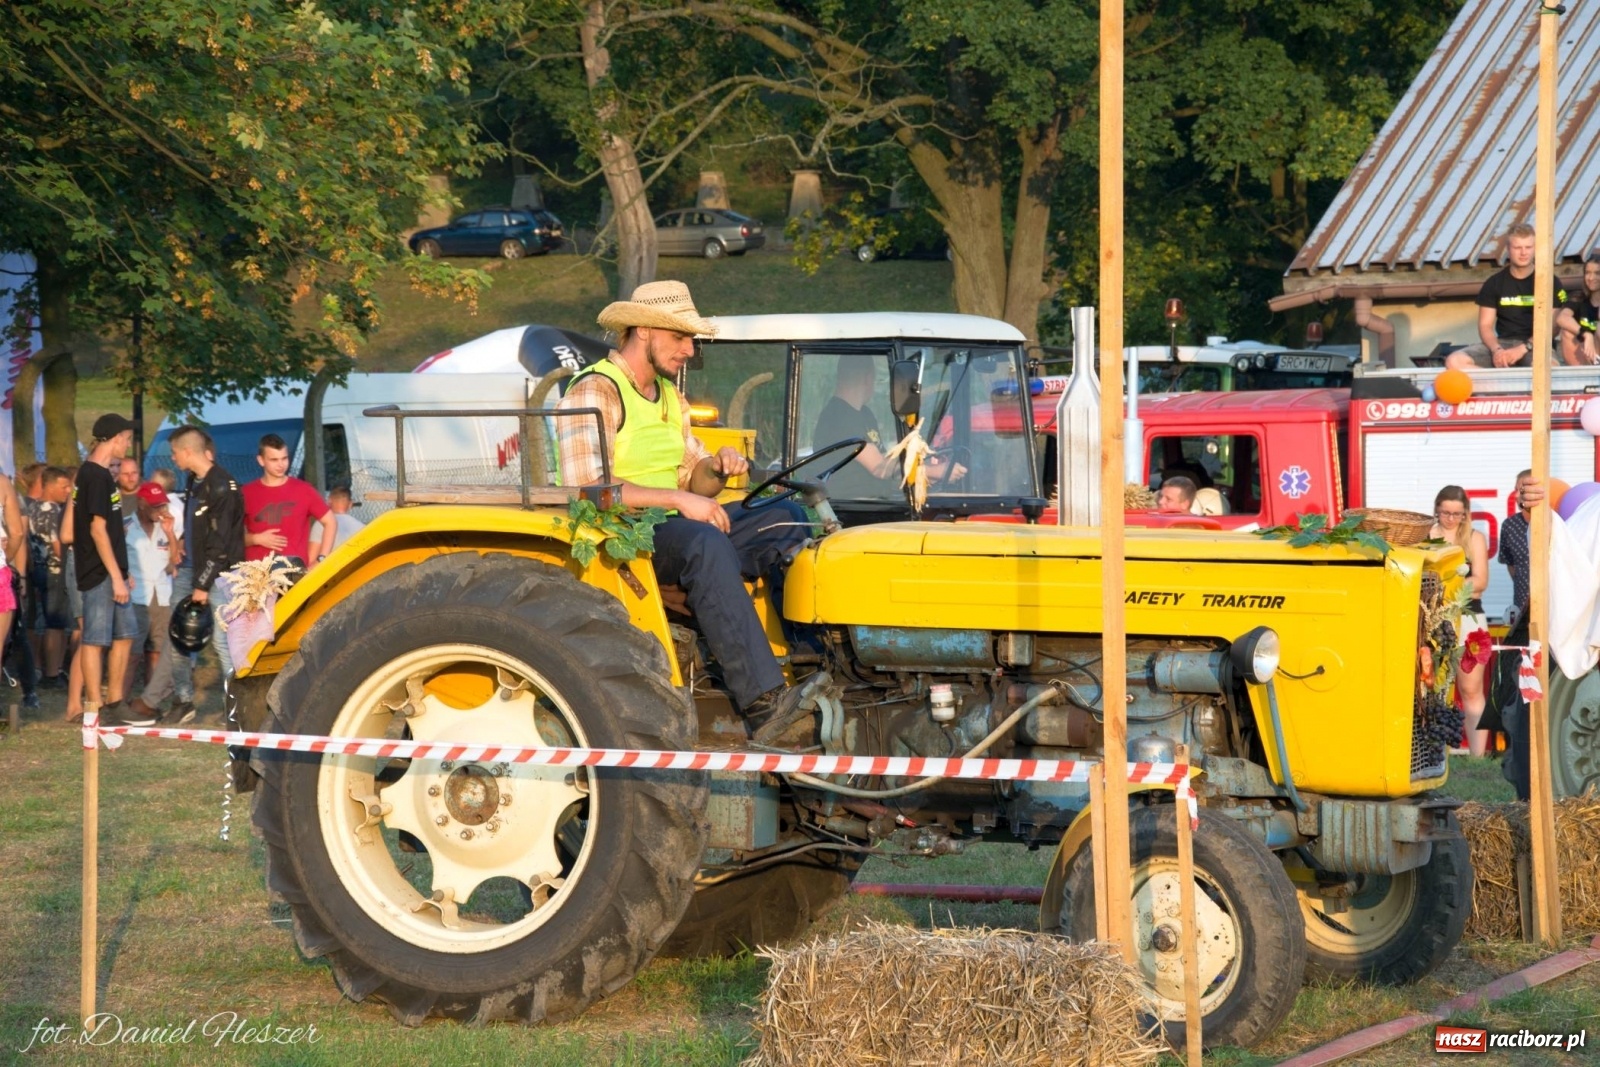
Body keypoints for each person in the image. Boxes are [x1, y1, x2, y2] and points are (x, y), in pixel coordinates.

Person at [555, 280, 813, 732]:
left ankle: (810, 667)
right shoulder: (596, 390)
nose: (690, 350)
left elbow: (695, 478)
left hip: (671, 525)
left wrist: (718, 467)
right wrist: (679, 498)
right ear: (642, 331)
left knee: (785, 517)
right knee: (705, 541)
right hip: (620, 532)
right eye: (680, 337)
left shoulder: (672, 398)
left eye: (691, 338)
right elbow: (587, 488)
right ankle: (763, 703)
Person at [73, 414, 149, 727]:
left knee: (126, 635)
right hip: (98, 572)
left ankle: (116, 701)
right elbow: (97, 530)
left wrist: (122, 569)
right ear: (115, 437)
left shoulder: (103, 475)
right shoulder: (93, 475)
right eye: (127, 438)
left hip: (114, 570)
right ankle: (95, 705)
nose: (128, 444)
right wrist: (115, 576)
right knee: (95, 639)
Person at [170, 426, 245, 718]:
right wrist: (179, 542)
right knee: (178, 634)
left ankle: (237, 707)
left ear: (188, 451)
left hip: (218, 575)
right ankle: (183, 700)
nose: (173, 458)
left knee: (222, 641)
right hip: (189, 568)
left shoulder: (223, 487)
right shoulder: (193, 481)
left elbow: (221, 543)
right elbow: (196, 526)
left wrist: (202, 585)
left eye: (175, 452)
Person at [810, 357, 962, 499]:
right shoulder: (839, 417)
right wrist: (936, 471)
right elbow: (879, 468)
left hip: (879, 500)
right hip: (856, 506)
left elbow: (888, 465)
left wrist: (925, 470)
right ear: (868, 378)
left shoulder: (864, 414)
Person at [1447, 224, 1565, 370]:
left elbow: (1553, 327)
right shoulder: (1494, 283)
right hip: (1502, 343)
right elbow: (1485, 325)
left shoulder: (1550, 282)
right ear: (1508, 249)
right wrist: (1496, 350)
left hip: (1536, 345)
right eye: (1517, 248)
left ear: (1535, 248)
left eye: (1528, 247)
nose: (1523, 253)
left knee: (1547, 367)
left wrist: (1523, 348)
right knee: (1454, 361)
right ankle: (1495, 388)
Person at [1431, 485, 1490, 756]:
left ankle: (1477, 756)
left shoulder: (1475, 538)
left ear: (1465, 514)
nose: (1451, 519)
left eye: (1457, 514)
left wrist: (1447, 586)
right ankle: (1434, 751)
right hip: (1435, 618)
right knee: (1432, 687)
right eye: (1446, 513)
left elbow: (1481, 582)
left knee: (1471, 688)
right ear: (1437, 511)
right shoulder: (1427, 536)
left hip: (1469, 617)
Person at [123, 482, 183, 724]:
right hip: (136, 596)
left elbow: (175, 559)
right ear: (141, 503)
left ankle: (148, 701)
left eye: (163, 505)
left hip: (161, 594)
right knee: (132, 653)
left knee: (157, 651)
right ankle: (120, 701)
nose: (160, 509)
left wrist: (169, 533)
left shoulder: (165, 526)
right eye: (155, 505)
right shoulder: (126, 525)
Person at [242, 433, 334, 568]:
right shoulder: (246, 493)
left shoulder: (304, 490)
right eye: (274, 460)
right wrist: (256, 539)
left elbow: (330, 522)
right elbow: (230, 538)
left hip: (293, 573)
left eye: (284, 458)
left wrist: (321, 559)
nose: (281, 464)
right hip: (257, 578)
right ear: (261, 460)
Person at [22, 466, 71, 687]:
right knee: (56, 623)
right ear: (48, 485)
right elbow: (58, 546)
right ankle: (53, 673)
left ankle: (42, 668)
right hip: (54, 571)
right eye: (64, 486)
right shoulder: (53, 511)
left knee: (40, 621)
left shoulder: (32, 508)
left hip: (38, 570)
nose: (68, 491)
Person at [1555, 252, 1600, 367]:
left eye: (1597, 273)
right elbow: (1562, 318)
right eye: (1587, 273)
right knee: (1567, 332)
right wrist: (1586, 334)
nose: (1591, 278)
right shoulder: (1579, 297)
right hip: (1585, 355)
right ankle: (1580, 376)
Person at [308, 486, 365, 551]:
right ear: (350, 504)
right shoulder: (362, 527)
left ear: (329, 501)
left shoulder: (321, 524)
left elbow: (312, 556)